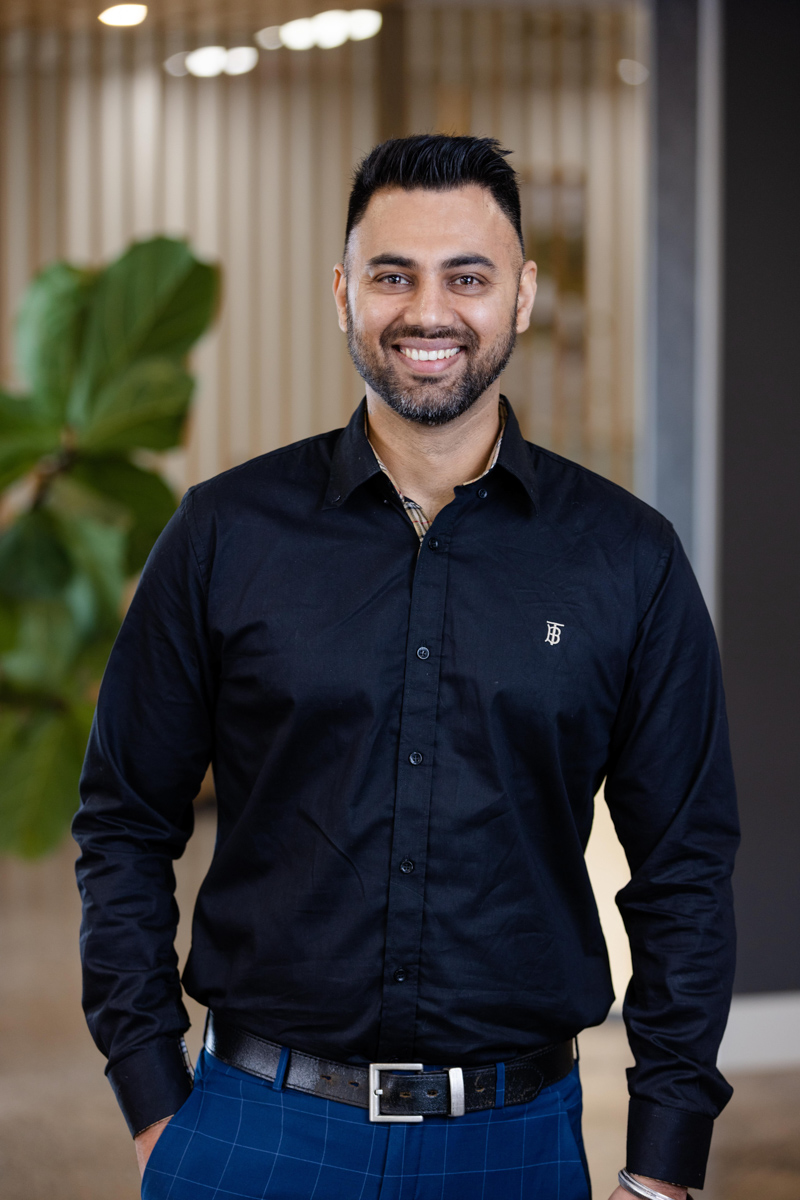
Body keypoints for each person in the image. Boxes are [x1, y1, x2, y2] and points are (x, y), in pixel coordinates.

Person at [73, 135, 739, 1200]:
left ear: (520, 296)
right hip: (254, 1129)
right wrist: (153, 1093)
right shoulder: (223, 535)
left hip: (511, 1142)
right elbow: (123, 819)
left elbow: (684, 871)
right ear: (344, 293)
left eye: (465, 276)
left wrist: (662, 1161)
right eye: (392, 275)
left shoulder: (625, 558)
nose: (427, 312)